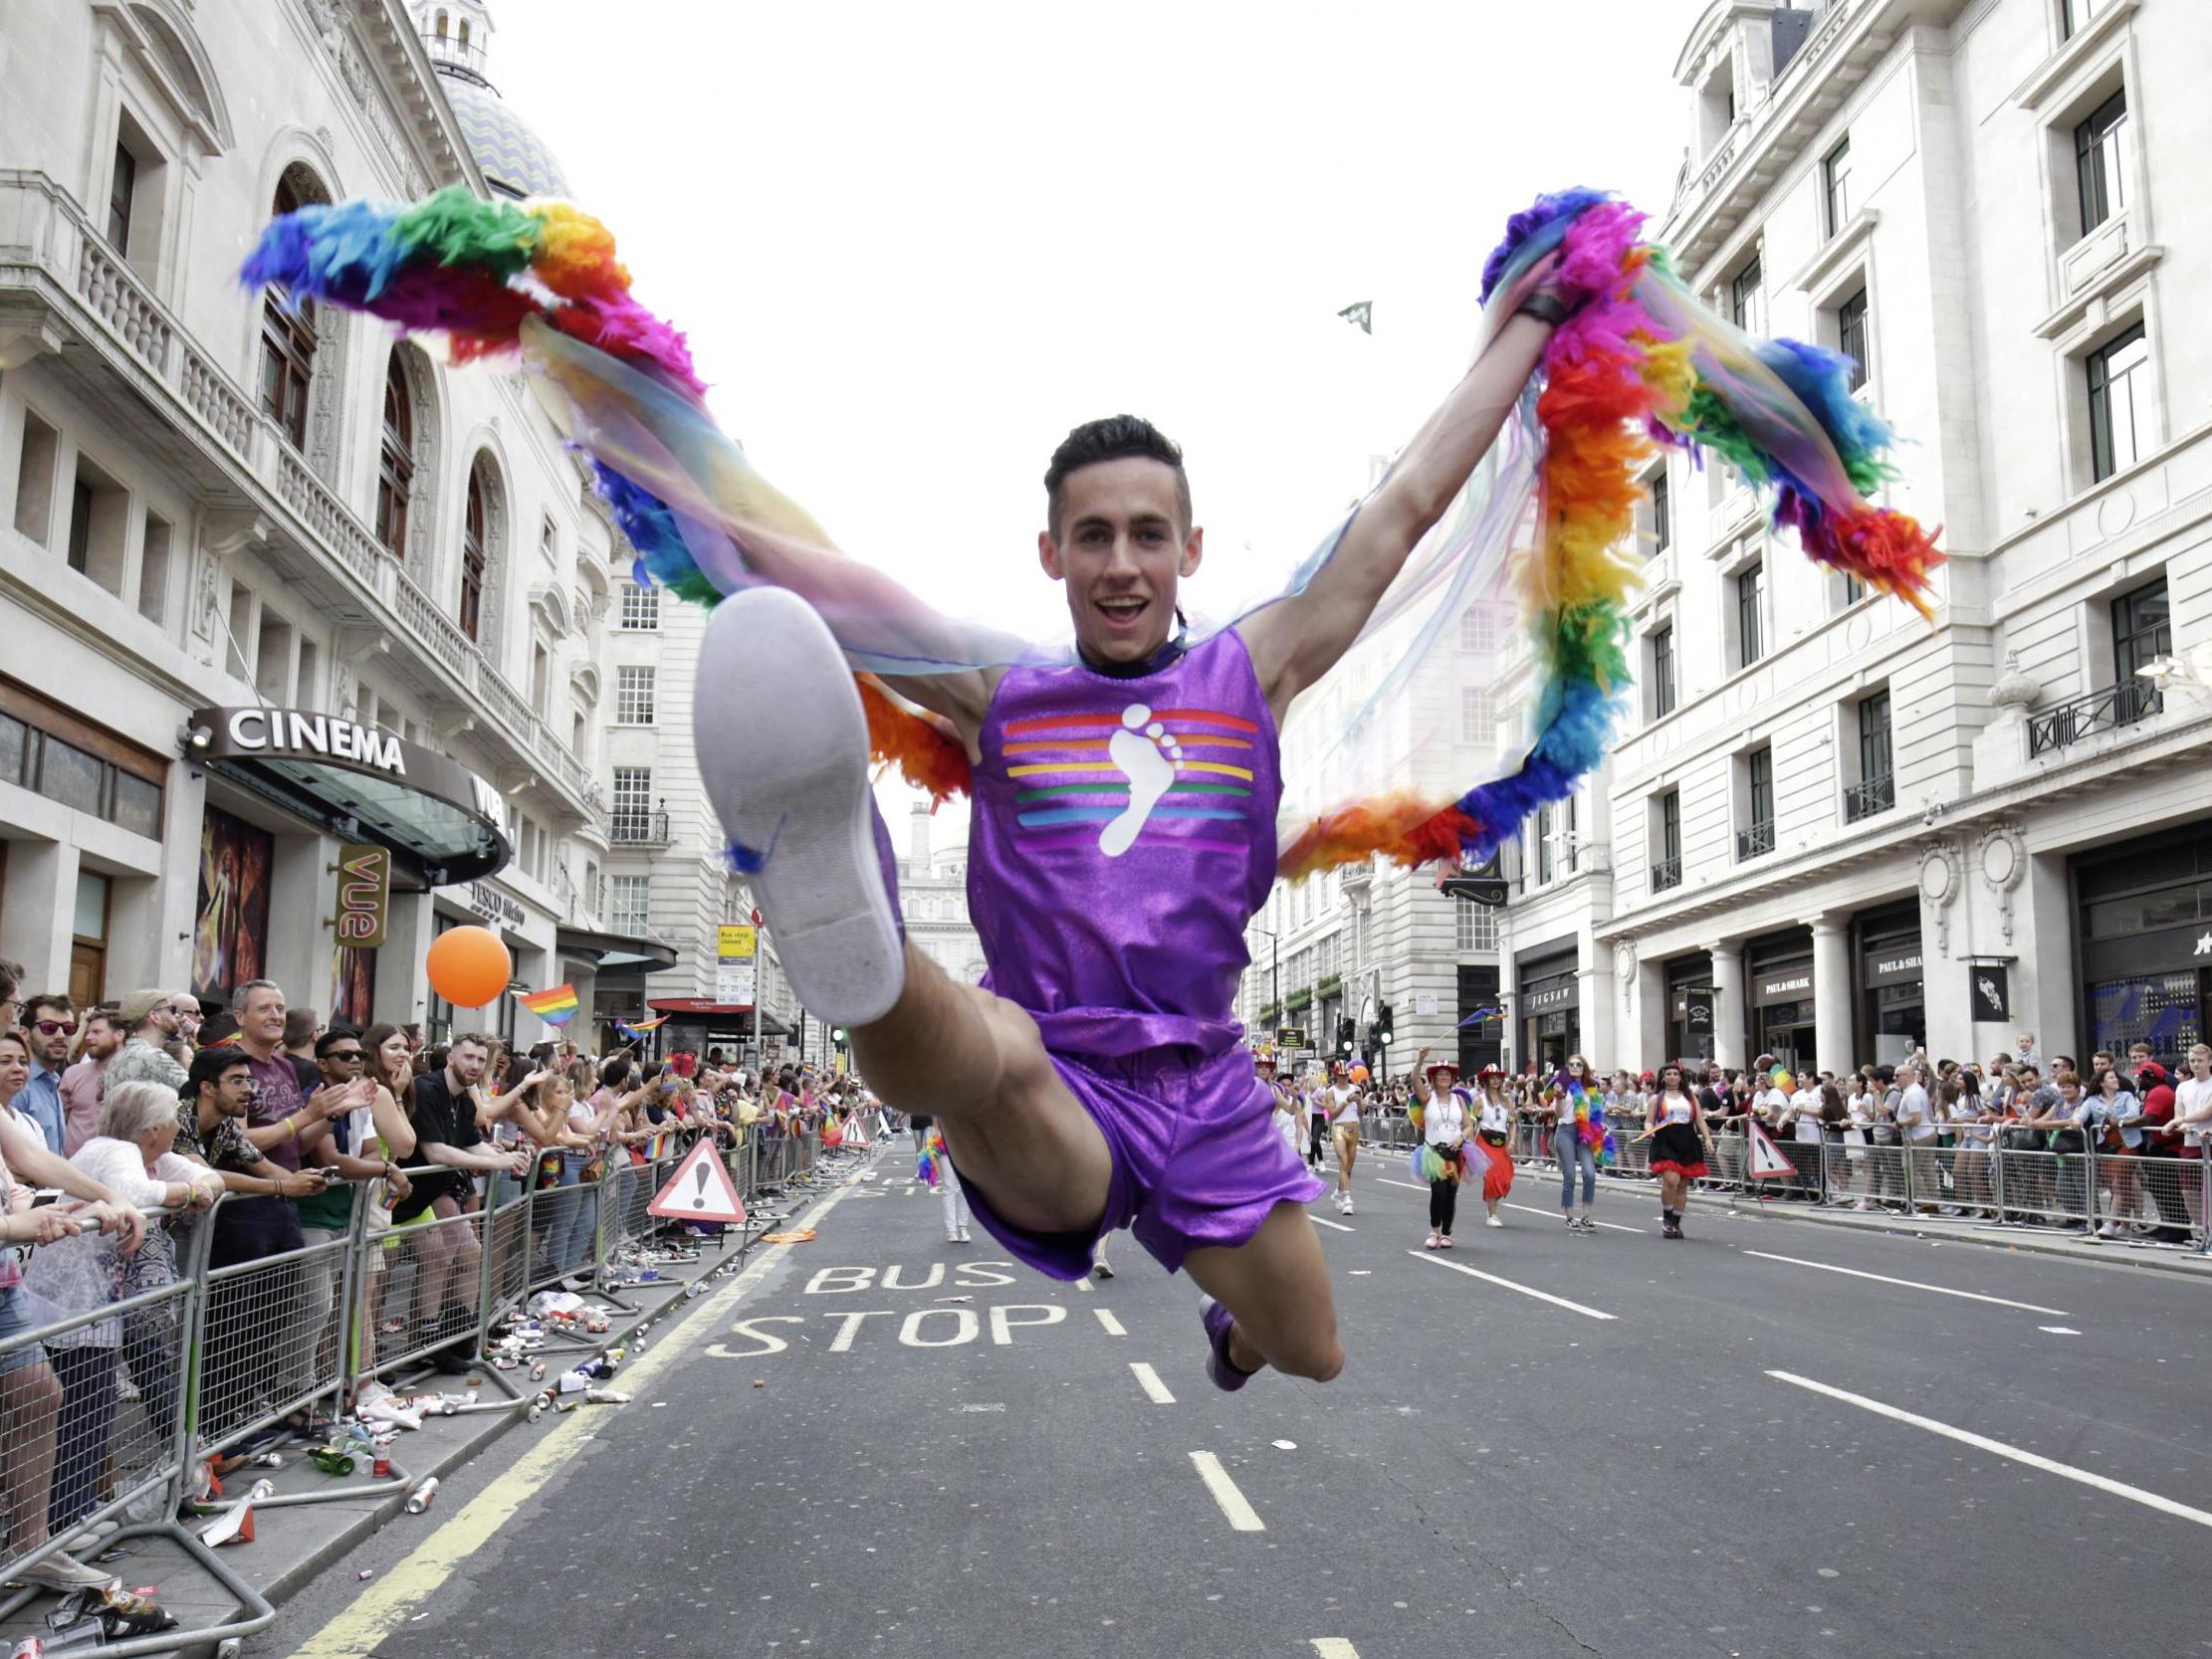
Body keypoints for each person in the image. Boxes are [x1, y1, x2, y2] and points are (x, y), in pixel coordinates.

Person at [691, 240, 1592, 1393]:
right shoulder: (998, 691)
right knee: (991, 1057)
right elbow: (827, 578)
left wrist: (1532, 325)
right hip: (1054, 1068)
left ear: (1188, 550)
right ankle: (866, 941)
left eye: (1146, 534)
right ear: (1051, 553)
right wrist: (636, 419)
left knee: (1309, 1350)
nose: (1120, 564)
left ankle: (1230, 1331)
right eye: (1093, 536)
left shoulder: (1251, 669)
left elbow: (1406, 502)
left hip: (1205, 1082)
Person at [23, 1081, 219, 1538]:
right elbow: (136, 1192)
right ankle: (66, 1517)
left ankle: (74, 1508)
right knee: (84, 1407)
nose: (179, 1126)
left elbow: (212, 1178)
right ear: (153, 1127)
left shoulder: (149, 1154)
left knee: (94, 1405)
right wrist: (188, 1192)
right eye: (173, 1119)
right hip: (74, 1302)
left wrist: (194, 1185)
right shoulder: (115, 1150)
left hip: (97, 1302)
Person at [1642, 1064, 1711, 1239]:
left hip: (1687, 1139)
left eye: (1675, 1074)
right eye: (1668, 1074)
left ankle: (1676, 1222)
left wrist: (1708, 1139)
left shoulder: (1690, 1097)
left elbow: (1700, 1120)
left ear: (1681, 1077)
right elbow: (1648, 1121)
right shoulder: (1656, 1099)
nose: (1672, 1077)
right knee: (1671, 1180)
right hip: (1665, 1140)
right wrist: (1650, 1130)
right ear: (1663, 1078)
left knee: (1682, 1185)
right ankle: (1667, 1219)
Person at [1411, 1051, 1467, 1250]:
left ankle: (1446, 1233)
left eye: (1447, 1074)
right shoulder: (1427, 1097)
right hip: (1433, 1153)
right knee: (1439, 1193)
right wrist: (1420, 1059)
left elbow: (1468, 1125)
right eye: (1440, 1074)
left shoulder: (1459, 1100)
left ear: (1452, 1078)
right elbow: (1414, 1080)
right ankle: (1434, 1230)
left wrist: (1461, 1137)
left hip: (1455, 1153)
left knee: (1451, 1195)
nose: (1444, 1077)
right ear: (1433, 1078)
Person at [11, 994, 77, 1154]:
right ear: (24, 1034)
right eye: (49, 1027)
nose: (61, 1035)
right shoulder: (17, 1085)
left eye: (68, 1028)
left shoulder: (52, 1081)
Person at [1546, 1056, 1602, 1234]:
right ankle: (1570, 1217)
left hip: (1584, 1132)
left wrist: (1599, 1127)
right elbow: (1559, 1114)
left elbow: (1595, 1112)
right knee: (1569, 1175)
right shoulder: (1562, 1085)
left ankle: (1586, 1215)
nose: (1575, 1067)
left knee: (1590, 1174)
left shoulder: (1591, 1087)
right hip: (1566, 1131)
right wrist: (1558, 1098)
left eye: (1579, 1064)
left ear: (1584, 1068)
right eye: (1571, 1064)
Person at [57, 1008, 120, 1158]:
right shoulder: (73, 1074)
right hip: (71, 1165)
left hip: (113, 1164)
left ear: (119, 1035)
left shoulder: (134, 1077)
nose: (88, 1037)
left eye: (96, 1032)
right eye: (87, 1032)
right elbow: (58, 1122)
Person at [1471, 1066, 1514, 1227]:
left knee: (1505, 1179)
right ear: (1486, 1080)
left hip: (1501, 1142)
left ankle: (1491, 1204)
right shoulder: (1479, 1100)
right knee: (1491, 1177)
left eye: (1498, 1077)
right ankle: (1492, 1214)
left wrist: (1512, 1141)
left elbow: (1513, 1123)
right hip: (1484, 1141)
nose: (1496, 1081)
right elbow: (1472, 1123)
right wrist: (1470, 1146)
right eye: (1492, 1077)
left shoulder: (1507, 1101)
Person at [1323, 1066, 1363, 1215]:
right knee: (1343, 1162)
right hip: (1339, 1128)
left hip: (1354, 1129)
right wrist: (1346, 1101)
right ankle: (1347, 1199)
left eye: (1346, 1075)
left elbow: (1361, 1113)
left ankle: (1338, 1192)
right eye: (1340, 1075)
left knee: (1348, 1168)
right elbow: (1332, 1114)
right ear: (1336, 1075)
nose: (1343, 1077)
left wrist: (1359, 1102)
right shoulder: (1330, 1092)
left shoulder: (1356, 1089)